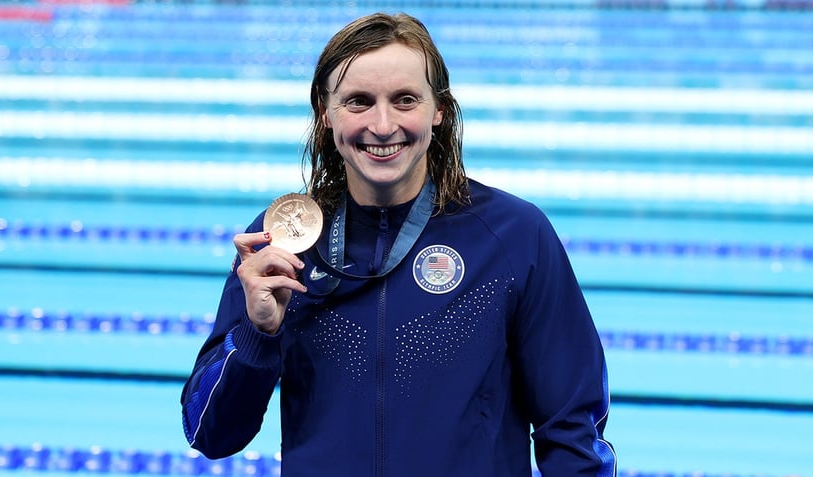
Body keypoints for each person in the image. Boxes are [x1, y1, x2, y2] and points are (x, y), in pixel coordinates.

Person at [181, 12, 616, 476]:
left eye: (405, 100)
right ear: (326, 113)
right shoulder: (284, 242)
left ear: (439, 110)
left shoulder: (513, 236)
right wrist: (257, 332)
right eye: (358, 102)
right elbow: (210, 434)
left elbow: (572, 431)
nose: (383, 125)